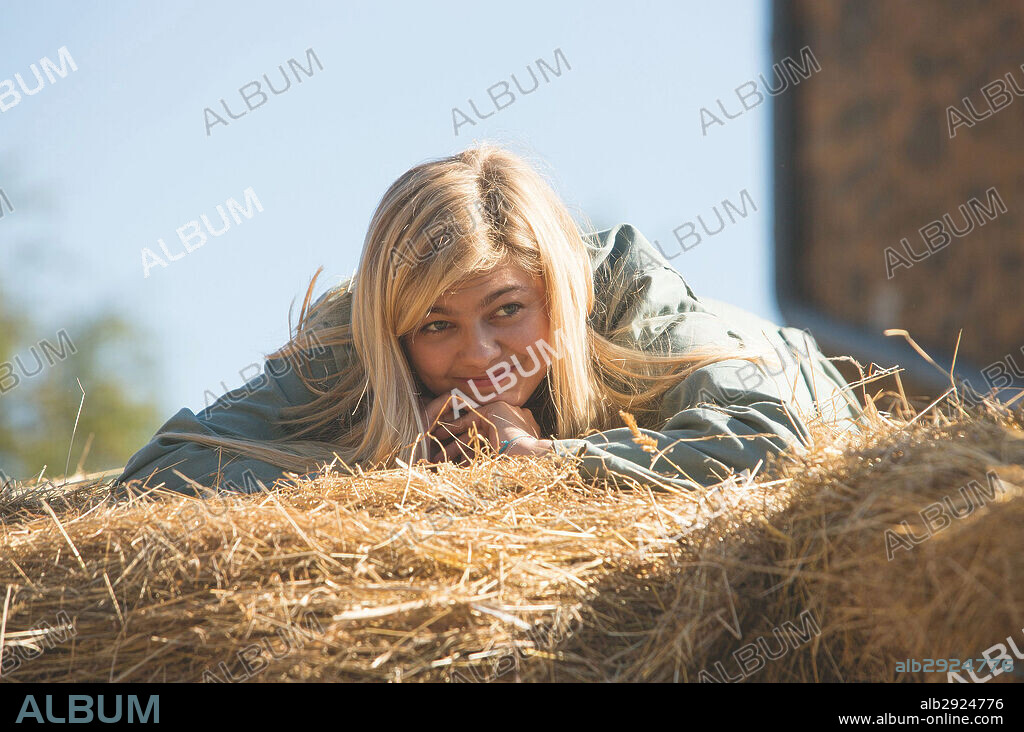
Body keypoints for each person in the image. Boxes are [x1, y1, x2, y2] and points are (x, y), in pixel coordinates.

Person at [113, 144, 863, 497]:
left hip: (814, 382)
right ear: (395, 328)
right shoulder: (357, 337)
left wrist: (540, 460)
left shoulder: (628, 294)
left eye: (507, 311)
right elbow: (153, 479)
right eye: (436, 326)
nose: (479, 355)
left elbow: (767, 443)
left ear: (554, 292)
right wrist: (381, 470)